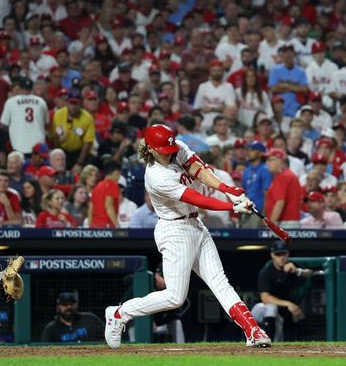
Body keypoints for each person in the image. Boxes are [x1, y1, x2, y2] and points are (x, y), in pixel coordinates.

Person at [104, 124, 270, 349]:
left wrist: (228, 190)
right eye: (163, 149)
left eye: (170, 146)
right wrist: (231, 207)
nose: (169, 152)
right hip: (174, 230)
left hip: (195, 224)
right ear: (151, 149)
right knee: (174, 297)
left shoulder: (177, 147)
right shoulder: (156, 176)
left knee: (220, 281)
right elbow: (195, 198)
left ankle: (253, 330)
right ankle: (119, 313)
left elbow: (199, 171)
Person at [250, 241, 314, 342]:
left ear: (288, 254)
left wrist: (297, 271)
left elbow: (310, 273)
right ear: (272, 255)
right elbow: (265, 298)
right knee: (272, 307)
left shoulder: (291, 267)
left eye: (283, 253)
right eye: (278, 254)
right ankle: (261, 340)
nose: (281, 257)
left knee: (279, 337)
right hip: (259, 309)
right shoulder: (267, 272)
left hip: (277, 312)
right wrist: (289, 304)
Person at [0, 76, 49, 155]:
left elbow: (3, 125)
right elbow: (47, 124)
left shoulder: (11, 101)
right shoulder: (41, 101)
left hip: (18, 145)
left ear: (19, 88)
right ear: (32, 88)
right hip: (38, 145)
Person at [88, 160, 122, 228]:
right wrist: (117, 225)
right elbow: (109, 205)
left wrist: (90, 224)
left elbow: (90, 207)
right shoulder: (113, 185)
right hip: (107, 226)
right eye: (119, 175)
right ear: (116, 173)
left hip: (94, 225)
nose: (119, 178)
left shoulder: (97, 186)